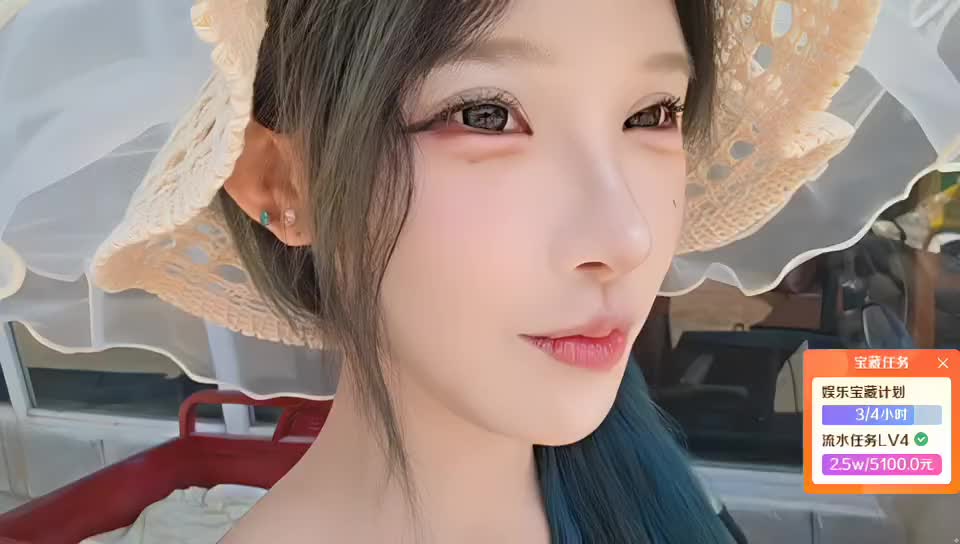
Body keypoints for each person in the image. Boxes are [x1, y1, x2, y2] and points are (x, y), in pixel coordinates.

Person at [1, 0, 957, 542]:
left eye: (654, 113)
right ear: (283, 183)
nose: (625, 236)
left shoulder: (639, 488)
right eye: (487, 115)